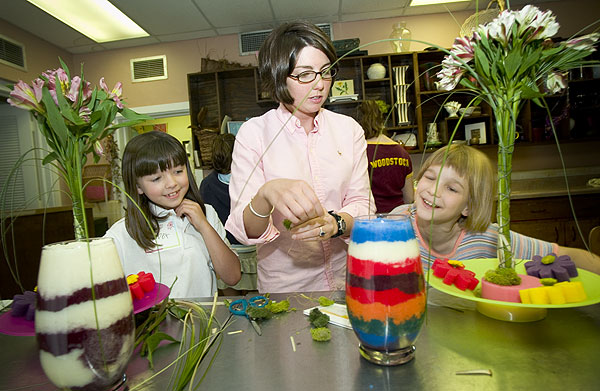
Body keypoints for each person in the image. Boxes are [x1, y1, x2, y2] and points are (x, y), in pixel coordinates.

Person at [225, 21, 374, 293]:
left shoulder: (348, 130)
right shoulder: (254, 134)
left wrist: (337, 223)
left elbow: (362, 204)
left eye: (325, 72)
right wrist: (266, 194)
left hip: (348, 279)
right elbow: (246, 231)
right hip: (288, 288)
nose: (319, 85)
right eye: (305, 75)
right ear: (279, 77)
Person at [391, 144, 600, 274]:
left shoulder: (488, 240)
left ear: (468, 207)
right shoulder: (396, 222)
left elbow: (567, 256)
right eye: (430, 178)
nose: (434, 191)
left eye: (452, 188)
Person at [105, 130, 241, 298]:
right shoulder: (120, 234)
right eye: (156, 179)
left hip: (203, 321)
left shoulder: (207, 213)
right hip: (152, 324)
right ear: (138, 186)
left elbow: (232, 277)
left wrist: (204, 226)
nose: (172, 184)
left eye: (178, 171)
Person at [200, 133, 258, 295]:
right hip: (252, 250)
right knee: (257, 302)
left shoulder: (207, 185)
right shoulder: (252, 180)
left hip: (225, 251)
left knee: (231, 304)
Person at [359, 100, 413, 212]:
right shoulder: (402, 152)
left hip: (371, 217)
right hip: (399, 217)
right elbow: (409, 198)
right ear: (381, 120)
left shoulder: (360, 152)